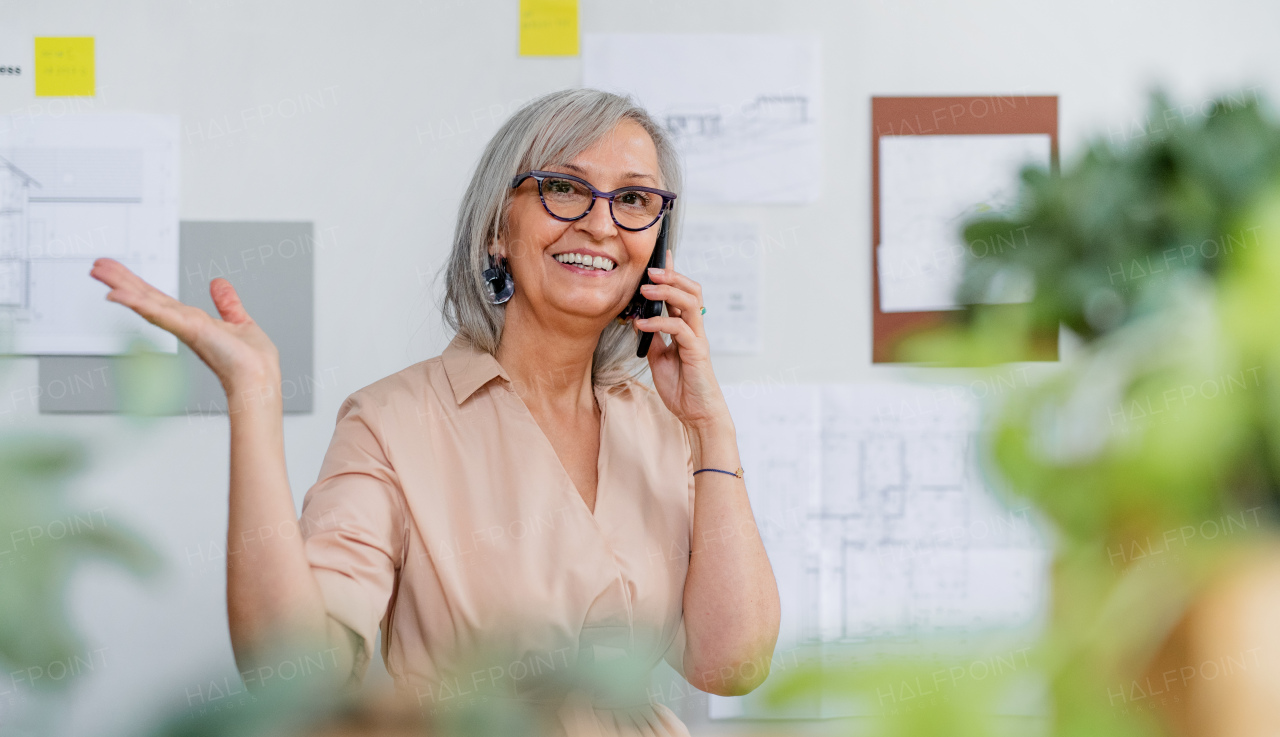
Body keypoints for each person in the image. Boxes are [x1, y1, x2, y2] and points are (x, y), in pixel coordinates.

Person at [90, 88, 781, 736]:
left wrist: (710, 426)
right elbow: (296, 673)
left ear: (654, 246)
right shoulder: (392, 422)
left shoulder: (666, 425)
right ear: (496, 232)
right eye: (564, 188)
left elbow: (730, 663)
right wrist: (253, 396)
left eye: (633, 199)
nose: (601, 222)